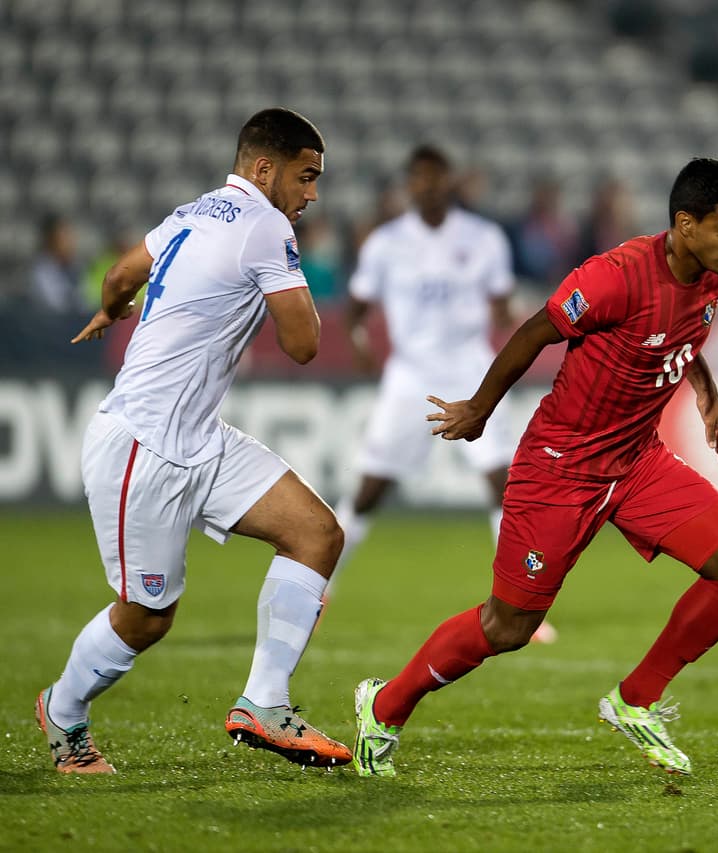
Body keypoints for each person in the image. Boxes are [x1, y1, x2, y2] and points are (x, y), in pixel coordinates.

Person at [349, 158, 718, 779]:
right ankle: (383, 708)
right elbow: (532, 332)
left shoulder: (717, 272)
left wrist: (708, 396)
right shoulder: (615, 277)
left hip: (637, 462)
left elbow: (685, 330)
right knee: (508, 626)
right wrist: (479, 408)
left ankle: (636, 700)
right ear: (686, 224)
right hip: (561, 468)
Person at [36, 108, 351, 774]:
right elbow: (304, 344)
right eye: (306, 176)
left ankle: (265, 702)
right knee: (147, 617)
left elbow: (120, 277)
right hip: (142, 444)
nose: (313, 193)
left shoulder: (192, 211)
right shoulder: (267, 226)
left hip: (200, 438)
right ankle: (63, 709)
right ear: (263, 168)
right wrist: (286, 273)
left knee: (317, 534)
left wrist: (112, 311)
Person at [331, 145, 554, 640]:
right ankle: (318, 588)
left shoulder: (484, 237)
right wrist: (361, 345)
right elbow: (356, 309)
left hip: (471, 370)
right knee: (370, 490)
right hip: (409, 376)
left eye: (436, 176)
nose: (428, 185)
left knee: (503, 483)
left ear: (449, 181)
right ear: (409, 183)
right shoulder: (386, 243)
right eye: (419, 177)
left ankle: (519, 604)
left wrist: (508, 315)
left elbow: (501, 303)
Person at [30, 213, 83, 313]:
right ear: (51, 239)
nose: (71, 242)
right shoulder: (41, 272)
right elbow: (57, 306)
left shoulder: (75, 267)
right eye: (65, 236)